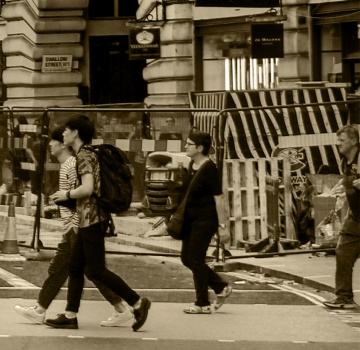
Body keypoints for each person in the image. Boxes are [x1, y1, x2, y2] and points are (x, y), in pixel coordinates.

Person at [44, 114, 150, 332]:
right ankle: (70, 315)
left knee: (97, 270)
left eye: (66, 130)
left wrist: (66, 195)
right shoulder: (86, 154)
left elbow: (88, 188)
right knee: (76, 267)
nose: (63, 134)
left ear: (75, 133)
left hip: (92, 219)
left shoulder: (84, 156)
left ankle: (138, 303)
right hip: (87, 219)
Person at [16, 130, 126, 327]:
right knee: (84, 270)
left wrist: (74, 223)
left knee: (73, 269)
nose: (50, 144)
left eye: (54, 140)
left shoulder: (71, 165)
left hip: (77, 226)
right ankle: (120, 307)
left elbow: (83, 195)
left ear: (63, 144)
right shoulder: (68, 165)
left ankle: (43, 310)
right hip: (75, 225)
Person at [170, 131, 231, 314]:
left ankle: (202, 303)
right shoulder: (192, 164)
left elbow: (219, 198)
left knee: (195, 259)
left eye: (189, 144)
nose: (185, 146)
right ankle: (220, 287)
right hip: (190, 220)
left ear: (200, 148)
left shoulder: (209, 168)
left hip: (205, 221)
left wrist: (223, 227)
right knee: (186, 258)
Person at [327, 123, 360, 309]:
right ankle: (344, 298)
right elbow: (347, 181)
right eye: (337, 140)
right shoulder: (345, 160)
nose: (338, 144)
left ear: (354, 141)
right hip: (355, 218)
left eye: (342, 140)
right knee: (343, 253)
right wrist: (338, 189)